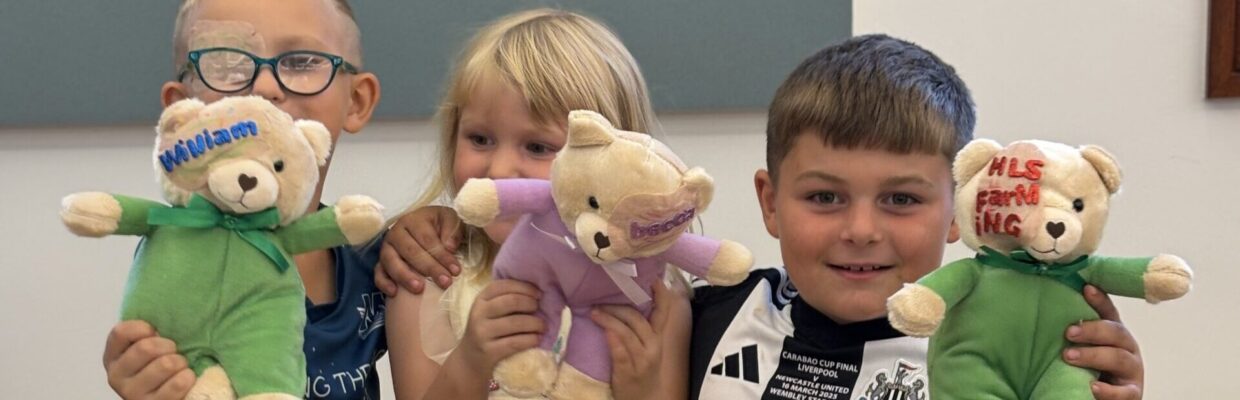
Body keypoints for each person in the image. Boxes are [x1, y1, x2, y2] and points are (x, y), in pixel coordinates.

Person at [688, 34, 1146, 400]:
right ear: (771, 203)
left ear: (959, 211)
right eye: (825, 196)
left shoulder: (1011, 352)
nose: (862, 231)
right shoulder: (702, 317)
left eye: (902, 200)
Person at [379, 9, 692, 400]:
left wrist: (641, 390)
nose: (499, 169)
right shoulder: (431, 277)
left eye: (538, 147)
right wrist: (471, 361)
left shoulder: (659, 294)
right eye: (479, 139)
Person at [100, 1, 385, 398]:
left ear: (356, 101)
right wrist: (147, 380)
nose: (265, 87)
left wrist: (435, 224)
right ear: (182, 110)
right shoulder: (177, 258)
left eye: (302, 62)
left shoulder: (380, 259)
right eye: (227, 64)